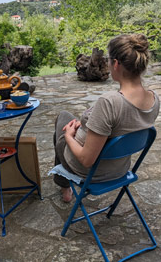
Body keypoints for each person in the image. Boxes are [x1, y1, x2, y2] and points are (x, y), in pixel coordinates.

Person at [53, 33, 160, 202]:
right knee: (68, 119)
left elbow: (87, 160)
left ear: (116, 64)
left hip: (92, 172)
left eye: (108, 60)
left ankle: (65, 187)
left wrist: (68, 136)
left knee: (62, 120)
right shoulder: (154, 99)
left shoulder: (110, 102)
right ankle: (65, 187)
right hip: (120, 169)